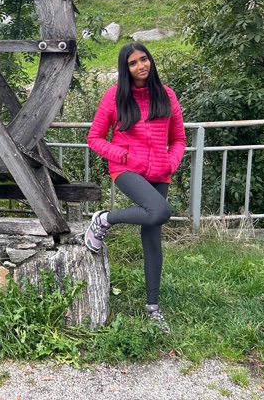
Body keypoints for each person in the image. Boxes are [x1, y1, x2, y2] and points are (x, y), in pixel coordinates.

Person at [85, 42, 186, 332]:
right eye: (133, 63)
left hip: (160, 172)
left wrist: (171, 163)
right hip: (126, 169)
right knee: (159, 211)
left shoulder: (166, 96)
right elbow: (95, 138)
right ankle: (105, 219)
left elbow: (178, 138)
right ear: (125, 68)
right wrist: (123, 155)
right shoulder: (114, 97)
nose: (141, 66)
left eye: (144, 59)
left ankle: (153, 308)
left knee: (153, 237)